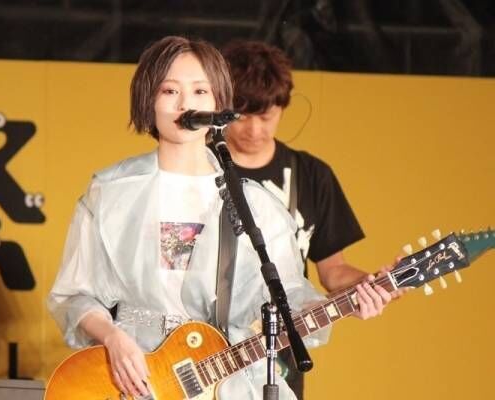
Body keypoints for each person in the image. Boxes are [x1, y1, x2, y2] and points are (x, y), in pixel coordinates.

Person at [48, 36, 389, 400]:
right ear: (148, 98)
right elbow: (75, 295)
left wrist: (348, 304)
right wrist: (113, 338)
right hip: (132, 382)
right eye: (170, 91)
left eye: (200, 91)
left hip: (223, 382)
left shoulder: (255, 206)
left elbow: (287, 300)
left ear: (218, 103)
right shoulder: (113, 191)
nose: (186, 104)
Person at [221, 40, 394, 399]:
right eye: (241, 115)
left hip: (278, 361)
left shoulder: (311, 176)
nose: (254, 129)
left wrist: (372, 286)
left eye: (266, 116)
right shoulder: (198, 170)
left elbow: (333, 271)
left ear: (283, 106)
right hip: (204, 353)